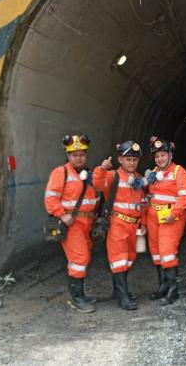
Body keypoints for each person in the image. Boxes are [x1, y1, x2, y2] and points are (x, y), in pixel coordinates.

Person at [44, 134, 100, 313]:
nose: (78, 158)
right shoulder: (61, 172)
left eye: (82, 154)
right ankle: (77, 299)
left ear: (86, 155)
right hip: (72, 224)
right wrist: (61, 214)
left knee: (82, 258)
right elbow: (51, 197)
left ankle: (80, 294)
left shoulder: (87, 175)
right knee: (79, 259)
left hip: (87, 223)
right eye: (74, 154)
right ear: (68, 156)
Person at [93, 141, 147, 310]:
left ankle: (119, 291)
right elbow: (97, 184)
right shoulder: (112, 176)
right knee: (119, 260)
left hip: (133, 226)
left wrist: (142, 223)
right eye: (128, 159)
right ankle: (123, 297)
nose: (131, 162)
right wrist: (102, 168)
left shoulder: (138, 178)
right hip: (117, 224)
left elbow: (142, 203)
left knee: (130, 258)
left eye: (134, 160)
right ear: (120, 160)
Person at [145, 136, 186, 305]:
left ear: (170, 155)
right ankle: (162, 287)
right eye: (157, 156)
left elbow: (184, 196)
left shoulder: (179, 171)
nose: (160, 159)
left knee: (167, 252)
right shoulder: (154, 173)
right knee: (157, 253)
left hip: (171, 217)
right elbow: (149, 195)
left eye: (163, 155)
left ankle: (173, 290)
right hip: (153, 217)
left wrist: (175, 213)